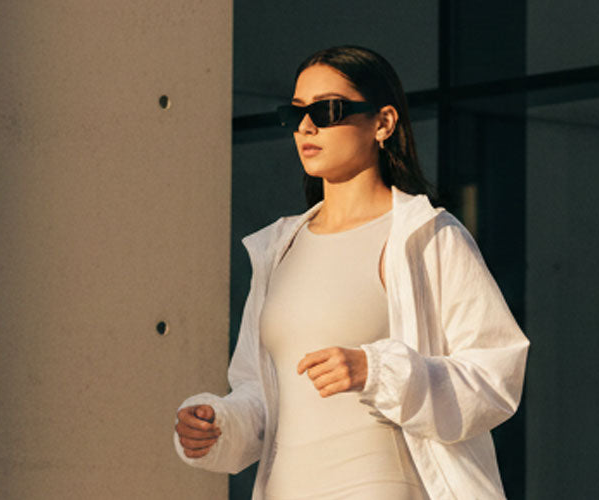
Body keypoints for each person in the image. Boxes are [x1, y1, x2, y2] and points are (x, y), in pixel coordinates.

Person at [172, 45, 529, 499]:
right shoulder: (278, 248)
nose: (306, 126)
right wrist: (219, 423)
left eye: (328, 110)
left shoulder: (427, 236)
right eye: (297, 112)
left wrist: (376, 370)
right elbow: (261, 394)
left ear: (383, 123)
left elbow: (495, 374)